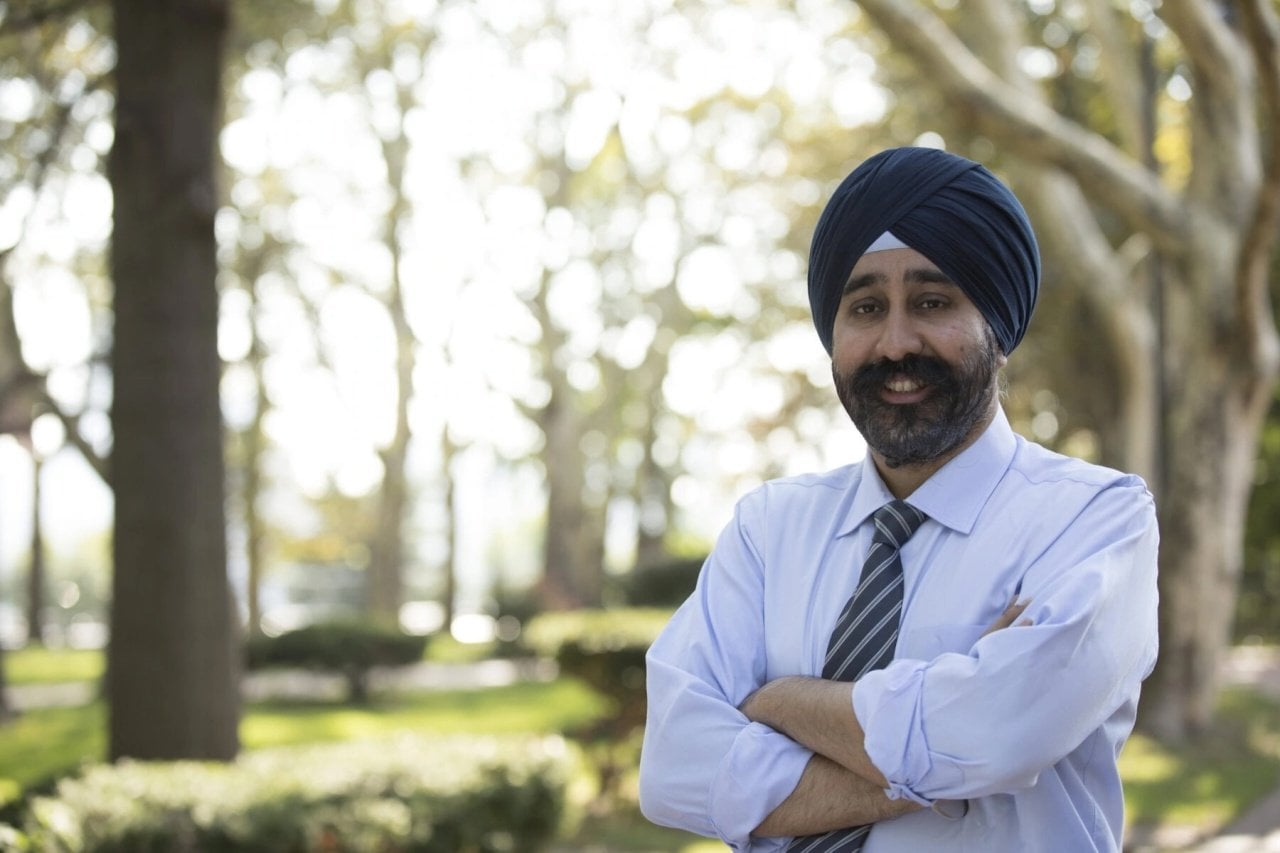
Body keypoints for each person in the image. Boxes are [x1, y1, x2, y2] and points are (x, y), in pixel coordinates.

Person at [637, 146, 1159, 853]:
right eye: (866, 307)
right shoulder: (769, 529)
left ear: (999, 330)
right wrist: (952, 752)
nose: (894, 342)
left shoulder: (1094, 519)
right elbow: (674, 766)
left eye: (933, 301)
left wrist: (778, 703)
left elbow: (998, 731)